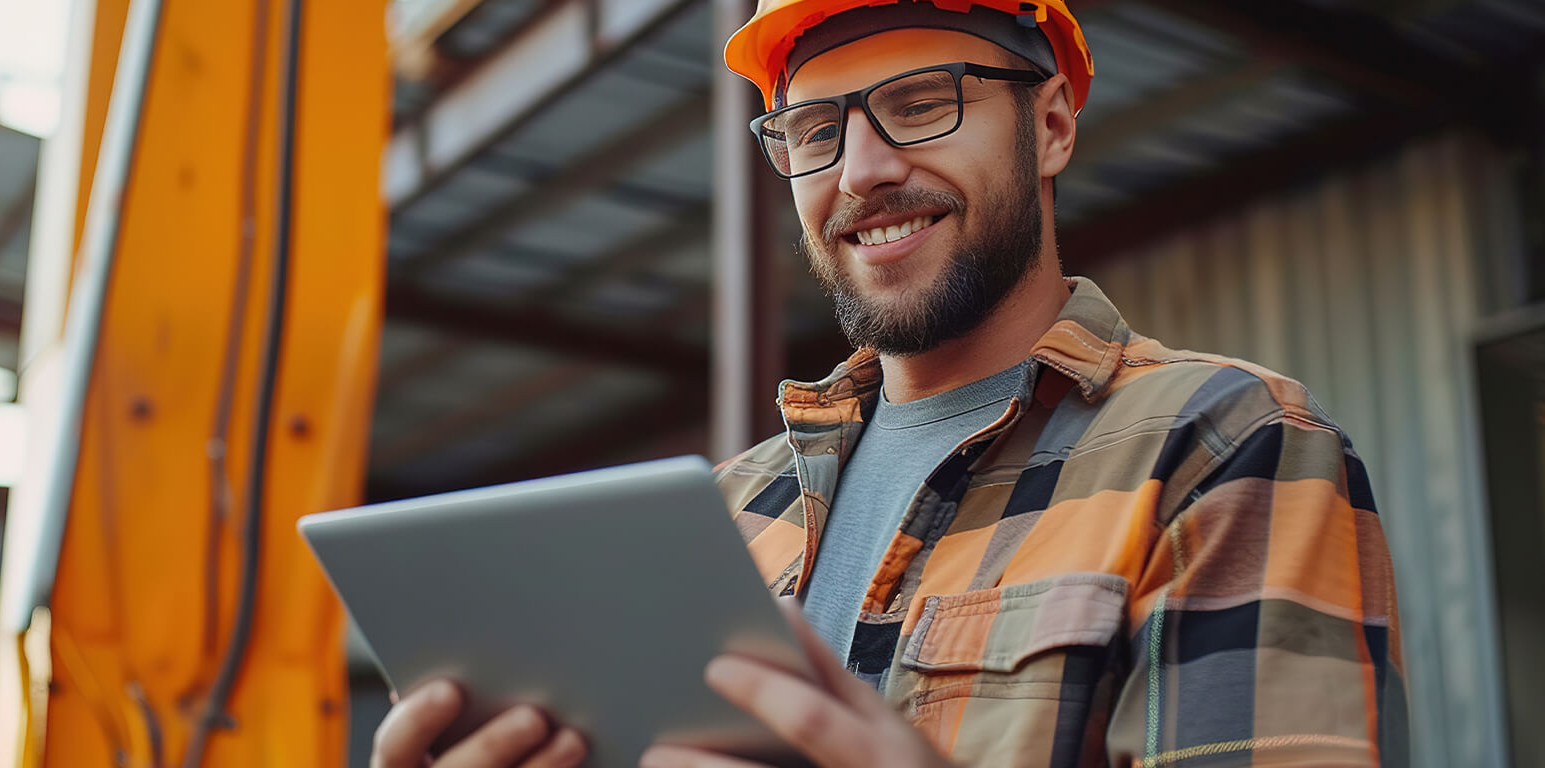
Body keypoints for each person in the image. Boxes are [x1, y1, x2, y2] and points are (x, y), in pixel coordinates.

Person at [370, 2, 1408, 766]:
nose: (858, 171)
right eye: (815, 131)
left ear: (1049, 125)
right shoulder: (730, 511)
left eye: (920, 103)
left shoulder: (1219, 445)